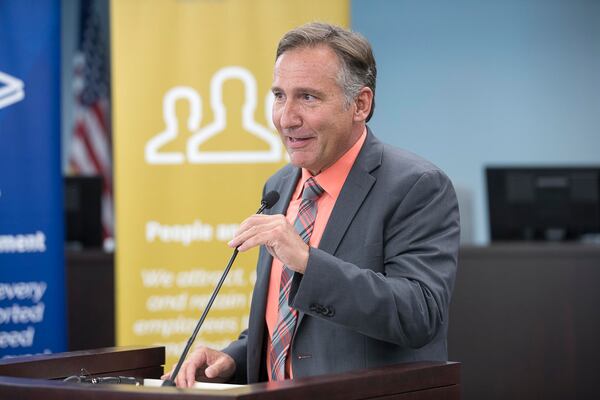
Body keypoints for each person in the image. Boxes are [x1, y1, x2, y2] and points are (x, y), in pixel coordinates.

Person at [163, 22, 460, 387]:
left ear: (360, 104)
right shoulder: (279, 187)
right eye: (279, 95)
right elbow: (293, 323)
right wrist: (234, 357)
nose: (286, 118)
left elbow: (419, 314)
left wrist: (305, 259)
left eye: (308, 97)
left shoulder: (415, 186)